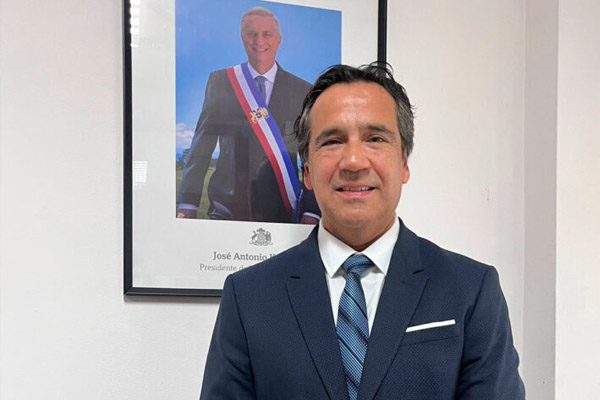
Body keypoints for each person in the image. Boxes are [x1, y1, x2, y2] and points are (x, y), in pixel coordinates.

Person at [199, 63, 525, 399]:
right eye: (333, 141)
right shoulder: (249, 297)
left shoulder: (470, 289)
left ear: (404, 162)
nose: (354, 161)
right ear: (307, 170)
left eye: (375, 138)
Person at [177, 7, 319, 223]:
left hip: (282, 206)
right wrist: (188, 203)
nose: (259, 41)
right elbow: (202, 144)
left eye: (266, 34)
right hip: (226, 205)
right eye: (251, 34)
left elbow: (311, 155)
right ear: (242, 38)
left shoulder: (302, 90)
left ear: (278, 40)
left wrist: (311, 211)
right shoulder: (221, 82)